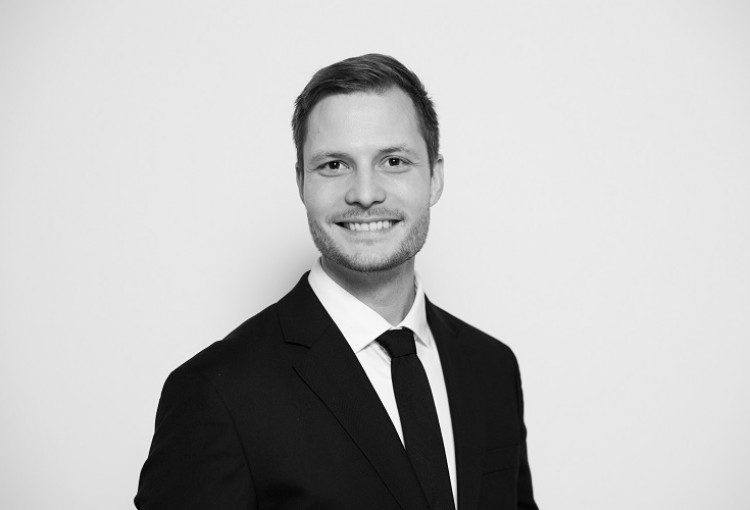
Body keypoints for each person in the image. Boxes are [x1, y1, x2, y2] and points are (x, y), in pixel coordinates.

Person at [135, 53, 539, 510]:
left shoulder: (491, 368)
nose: (365, 194)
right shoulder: (216, 394)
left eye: (393, 160)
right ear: (301, 182)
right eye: (334, 165)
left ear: (435, 178)